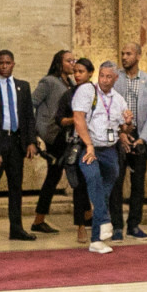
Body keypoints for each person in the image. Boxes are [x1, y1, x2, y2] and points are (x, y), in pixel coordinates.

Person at [0, 50, 36, 245]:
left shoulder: (23, 86)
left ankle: (16, 228)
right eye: (1, 63)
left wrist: (31, 141)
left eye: (8, 62)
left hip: (16, 142)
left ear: (13, 64)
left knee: (16, 188)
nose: (4, 66)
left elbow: (28, 116)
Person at [72, 60, 132, 253]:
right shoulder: (87, 91)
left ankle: (96, 240)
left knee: (105, 191)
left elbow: (125, 129)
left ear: (116, 78)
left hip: (109, 150)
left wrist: (128, 122)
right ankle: (105, 220)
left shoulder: (119, 100)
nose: (104, 80)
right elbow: (78, 118)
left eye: (109, 77)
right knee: (94, 179)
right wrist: (89, 145)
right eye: (102, 76)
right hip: (87, 147)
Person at [110, 43, 147, 241]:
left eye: (129, 54)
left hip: (140, 134)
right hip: (120, 135)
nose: (124, 57)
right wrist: (120, 133)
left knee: (138, 183)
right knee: (116, 182)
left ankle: (134, 225)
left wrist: (142, 138)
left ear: (138, 56)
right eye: (123, 53)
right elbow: (110, 108)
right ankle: (116, 226)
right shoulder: (115, 78)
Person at [30, 51, 75, 235]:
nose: (73, 63)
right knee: (54, 175)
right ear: (59, 63)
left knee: (68, 174)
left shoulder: (71, 83)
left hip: (67, 134)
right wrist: (35, 132)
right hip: (53, 135)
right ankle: (38, 220)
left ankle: (86, 214)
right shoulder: (48, 82)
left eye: (74, 60)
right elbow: (31, 103)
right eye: (69, 60)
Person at [55, 60, 96, 241]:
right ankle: (81, 225)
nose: (77, 75)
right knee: (79, 185)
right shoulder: (69, 94)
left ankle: (94, 216)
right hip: (76, 143)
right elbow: (59, 119)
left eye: (81, 71)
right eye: (76, 71)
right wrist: (77, 118)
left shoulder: (97, 93)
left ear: (90, 73)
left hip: (96, 142)